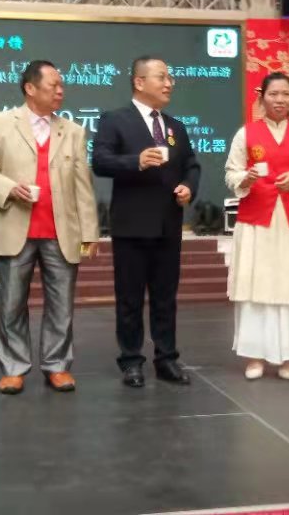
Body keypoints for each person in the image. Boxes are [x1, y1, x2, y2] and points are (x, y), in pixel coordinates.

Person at [0, 60, 99, 395]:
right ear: (30, 88)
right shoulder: (0, 124)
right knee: (11, 304)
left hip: (62, 231)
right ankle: (14, 368)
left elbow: (83, 186)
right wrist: (8, 188)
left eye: (61, 85)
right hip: (14, 227)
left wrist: (90, 232)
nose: (60, 91)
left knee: (62, 305)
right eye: (53, 85)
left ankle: (57, 365)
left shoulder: (73, 131)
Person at [93, 55, 200, 388]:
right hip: (132, 224)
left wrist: (189, 187)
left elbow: (191, 165)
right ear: (139, 82)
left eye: (170, 78)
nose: (169, 83)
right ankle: (131, 360)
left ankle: (166, 358)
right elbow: (100, 161)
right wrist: (135, 161)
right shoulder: (115, 120)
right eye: (162, 77)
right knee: (130, 297)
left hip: (168, 223)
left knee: (166, 296)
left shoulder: (175, 126)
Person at [225, 72, 289, 380]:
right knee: (256, 285)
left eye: (285, 94)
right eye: (273, 94)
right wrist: (245, 179)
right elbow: (231, 173)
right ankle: (255, 356)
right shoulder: (246, 133)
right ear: (262, 97)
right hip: (257, 222)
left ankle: (286, 357)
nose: (279, 100)